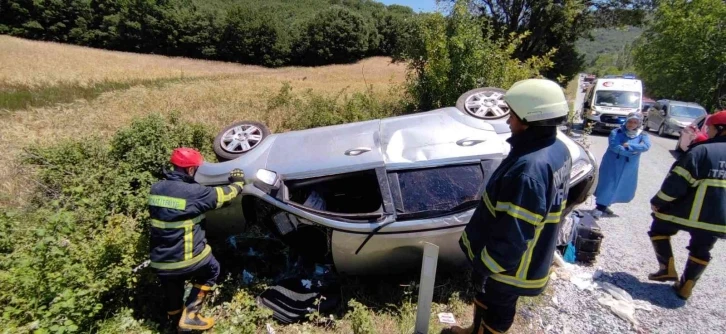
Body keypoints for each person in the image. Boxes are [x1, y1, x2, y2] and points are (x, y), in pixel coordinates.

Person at [451, 79, 572, 334]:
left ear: (529, 120)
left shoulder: (530, 169)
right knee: (487, 300)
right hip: (518, 259)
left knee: (499, 309)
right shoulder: (556, 149)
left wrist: (486, 266)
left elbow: (514, 235)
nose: (508, 121)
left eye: (513, 116)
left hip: (510, 268)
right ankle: (474, 330)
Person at [148, 147, 246, 332]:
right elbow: (225, 194)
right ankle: (191, 315)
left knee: (172, 286)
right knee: (211, 270)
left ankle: (175, 321)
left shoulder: (156, 188)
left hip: (160, 260)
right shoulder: (194, 192)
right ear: (191, 170)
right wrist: (238, 182)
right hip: (185, 258)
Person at [647, 110, 726, 300]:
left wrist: (658, 202)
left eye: (710, 127)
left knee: (659, 228)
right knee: (702, 248)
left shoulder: (702, 150)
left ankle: (666, 268)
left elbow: (677, 184)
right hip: (719, 220)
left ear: (721, 129)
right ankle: (686, 286)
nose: (708, 131)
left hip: (687, 212)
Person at [592, 112, 651, 218]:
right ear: (626, 121)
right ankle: (599, 207)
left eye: (634, 122)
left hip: (629, 165)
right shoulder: (617, 132)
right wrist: (633, 151)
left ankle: (605, 204)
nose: (631, 124)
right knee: (608, 183)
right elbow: (615, 146)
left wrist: (629, 145)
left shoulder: (642, 134)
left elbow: (646, 147)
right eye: (630, 121)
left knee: (621, 185)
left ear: (638, 123)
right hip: (612, 163)